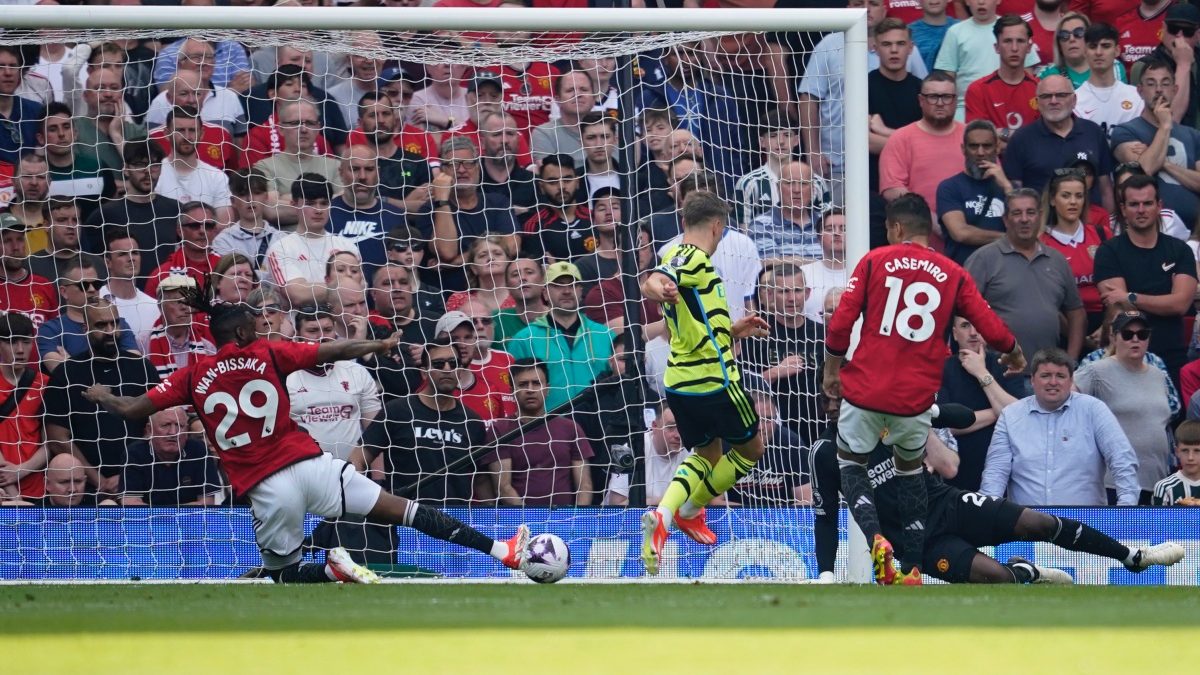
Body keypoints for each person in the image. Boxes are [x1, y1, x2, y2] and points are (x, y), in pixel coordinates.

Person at [84, 291, 529, 584]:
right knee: (405, 510)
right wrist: (376, 347)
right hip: (311, 466)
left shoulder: (189, 375)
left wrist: (99, 393)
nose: (261, 330)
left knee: (284, 574)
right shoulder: (268, 353)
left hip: (266, 485)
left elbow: (131, 409)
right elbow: (332, 350)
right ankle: (502, 549)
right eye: (255, 326)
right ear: (241, 333)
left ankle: (334, 573)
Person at [823, 192, 1024, 584]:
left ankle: (876, 537)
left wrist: (832, 370)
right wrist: (1014, 352)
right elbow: (988, 323)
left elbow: (842, 323)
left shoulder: (874, 261)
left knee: (851, 464)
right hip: (914, 399)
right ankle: (913, 568)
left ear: (896, 228)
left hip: (866, 389)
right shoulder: (952, 271)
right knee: (911, 470)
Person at [812, 393, 1186, 584]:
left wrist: (926, 410)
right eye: (830, 403)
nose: (838, 407)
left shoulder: (889, 421)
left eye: (842, 400)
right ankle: (1025, 573)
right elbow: (826, 517)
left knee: (1036, 523)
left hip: (948, 503)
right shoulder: (826, 454)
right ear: (825, 409)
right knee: (997, 579)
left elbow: (966, 417)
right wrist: (826, 574)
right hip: (919, 543)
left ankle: (1133, 557)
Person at [637, 191, 773, 576]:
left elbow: (693, 317)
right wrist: (659, 288)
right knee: (751, 450)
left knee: (706, 455)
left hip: (680, 382)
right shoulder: (691, 257)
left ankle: (665, 516)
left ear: (684, 222)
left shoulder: (678, 256)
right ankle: (692, 510)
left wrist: (735, 330)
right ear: (718, 226)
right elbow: (654, 281)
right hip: (715, 379)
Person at [981, 347, 1141, 505]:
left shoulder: (1094, 410)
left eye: (1060, 376)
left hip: (1085, 524)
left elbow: (1122, 460)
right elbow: (995, 473)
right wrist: (988, 512)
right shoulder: (1010, 415)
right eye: (1045, 375)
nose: (1053, 382)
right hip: (1026, 525)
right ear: (1032, 380)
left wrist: (1126, 509)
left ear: (1071, 381)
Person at [45, 298, 160, 496]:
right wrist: (99, 480)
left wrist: (128, 474)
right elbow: (57, 438)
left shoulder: (142, 367)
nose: (110, 330)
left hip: (142, 478)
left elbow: (158, 425)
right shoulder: (66, 373)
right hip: (85, 488)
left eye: (114, 323)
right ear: (85, 328)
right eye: (101, 324)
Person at [359, 338, 493, 505]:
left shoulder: (472, 421)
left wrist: (491, 517)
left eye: (453, 363)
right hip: (405, 517)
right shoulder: (398, 411)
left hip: (456, 519)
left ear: (459, 371)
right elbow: (360, 456)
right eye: (438, 364)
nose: (447, 369)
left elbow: (481, 480)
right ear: (423, 372)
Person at [1094, 174, 1197, 385]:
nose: (1141, 210)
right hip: (1123, 359)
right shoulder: (1108, 251)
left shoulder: (1180, 250)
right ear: (1123, 209)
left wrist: (1131, 296)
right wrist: (1160, 300)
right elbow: (1120, 310)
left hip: (1171, 355)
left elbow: (1180, 304)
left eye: (1147, 203)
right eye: (1134, 204)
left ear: (1159, 206)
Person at [965, 187, 1086, 364]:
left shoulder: (1057, 260)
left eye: (1030, 212)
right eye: (1016, 213)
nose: (1024, 219)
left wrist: (1071, 360)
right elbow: (963, 314)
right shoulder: (983, 259)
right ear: (1006, 220)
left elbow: (1076, 312)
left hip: (1047, 374)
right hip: (999, 372)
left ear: (1040, 216)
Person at [1074, 310, 1174, 504]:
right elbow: (1064, 403)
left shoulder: (1158, 374)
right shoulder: (1096, 370)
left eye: (1142, 334)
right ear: (1113, 337)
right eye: (1127, 335)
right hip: (1113, 483)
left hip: (1157, 482)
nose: (1135, 339)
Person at [506, 261, 614, 412]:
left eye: (573, 285)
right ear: (545, 293)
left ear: (581, 291)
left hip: (599, 427)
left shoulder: (606, 335)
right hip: (548, 429)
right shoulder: (524, 339)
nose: (567, 291)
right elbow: (513, 391)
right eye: (558, 285)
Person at [486, 359, 594, 506]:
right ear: (512, 390)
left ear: (547, 389)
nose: (530, 389)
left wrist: (575, 521)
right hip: (520, 524)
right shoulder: (500, 429)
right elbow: (503, 487)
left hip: (566, 522)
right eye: (523, 384)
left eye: (536, 383)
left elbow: (584, 486)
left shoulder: (570, 428)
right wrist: (531, 520)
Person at [742, 262, 826, 445]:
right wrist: (774, 372)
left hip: (819, 429)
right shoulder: (757, 333)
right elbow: (741, 387)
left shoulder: (822, 334)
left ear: (807, 293)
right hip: (774, 434)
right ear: (770, 295)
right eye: (783, 292)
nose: (791, 298)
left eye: (797, 290)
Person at [1111, 59, 1200, 232]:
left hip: (1195, 233)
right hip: (1151, 231)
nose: (1159, 89)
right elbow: (1144, 169)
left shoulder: (1193, 135)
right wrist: (1165, 126)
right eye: (1151, 84)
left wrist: (1165, 164)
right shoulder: (1125, 131)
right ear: (1140, 90)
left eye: (1165, 83)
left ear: (1175, 90)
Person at [286, 304, 382, 463]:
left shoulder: (356, 372)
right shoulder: (286, 377)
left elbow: (375, 435)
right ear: (297, 336)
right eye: (312, 331)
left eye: (328, 329)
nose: (322, 336)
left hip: (354, 476)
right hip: (305, 475)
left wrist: (379, 479)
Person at [1002, 75, 1114, 209]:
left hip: (1090, 225)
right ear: (1037, 102)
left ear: (1074, 100)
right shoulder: (1021, 139)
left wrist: (1109, 225)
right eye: (1046, 96)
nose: (1053, 101)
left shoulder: (1093, 132)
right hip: (1042, 226)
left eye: (1061, 95)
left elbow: (1105, 188)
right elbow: (1016, 195)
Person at [879, 71, 965, 230]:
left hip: (970, 238)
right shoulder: (901, 138)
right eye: (933, 97)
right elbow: (892, 190)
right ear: (921, 100)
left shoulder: (971, 137)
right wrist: (933, 223)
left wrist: (962, 229)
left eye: (946, 97)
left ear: (955, 100)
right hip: (919, 238)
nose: (940, 103)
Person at [84, 141, 181, 276]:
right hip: (122, 294)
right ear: (126, 169)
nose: (148, 172)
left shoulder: (175, 210)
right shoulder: (104, 215)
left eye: (154, 165)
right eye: (140, 165)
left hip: (168, 291)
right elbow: (91, 264)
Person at [934, 1, 1042, 120]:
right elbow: (946, 79)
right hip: (964, 107)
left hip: (1012, 105)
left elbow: (1027, 77)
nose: (981, 2)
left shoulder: (1014, 30)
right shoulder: (955, 32)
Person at [265, 174, 359, 308]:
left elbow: (359, 291)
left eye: (324, 203)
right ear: (294, 205)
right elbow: (297, 295)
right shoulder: (280, 248)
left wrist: (315, 289)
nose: (318, 210)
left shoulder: (347, 247)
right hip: (299, 326)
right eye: (310, 203)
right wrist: (345, 285)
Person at [37, 259, 140, 371]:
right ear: (64, 292)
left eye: (96, 284)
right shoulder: (51, 331)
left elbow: (135, 368)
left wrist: (71, 362)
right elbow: (62, 374)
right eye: (83, 285)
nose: (92, 290)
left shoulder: (118, 324)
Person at [937, 119, 1012, 265]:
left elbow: (1023, 223)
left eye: (987, 146)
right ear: (963, 149)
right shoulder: (949, 187)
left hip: (1005, 270)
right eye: (973, 146)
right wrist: (1009, 239)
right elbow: (960, 233)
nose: (980, 152)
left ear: (997, 148)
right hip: (965, 271)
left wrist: (1007, 188)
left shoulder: (1010, 187)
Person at [121, 406, 224, 507]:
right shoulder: (135, 453)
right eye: (166, 425)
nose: (173, 432)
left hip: (189, 522)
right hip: (147, 523)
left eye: (179, 425)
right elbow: (131, 505)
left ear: (187, 430)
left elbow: (206, 504)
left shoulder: (199, 450)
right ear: (149, 430)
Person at [867, 18, 924, 193]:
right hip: (874, 183)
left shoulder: (922, 89)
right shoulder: (862, 86)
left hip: (917, 182)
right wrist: (913, 144)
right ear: (875, 49)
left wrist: (884, 131)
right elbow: (867, 143)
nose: (894, 50)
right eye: (886, 44)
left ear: (910, 47)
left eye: (900, 44)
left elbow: (928, 142)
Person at [964, 15, 1041, 135]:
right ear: (997, 47)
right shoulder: (978, 90)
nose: (1014, 48)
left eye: (1020, 41)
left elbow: (1045, 137)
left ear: (1029, 47)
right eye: (1007, 41)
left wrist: (1000, 134)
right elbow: (979, 138)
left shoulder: (1040, 89)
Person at [0, 313, 47, 503]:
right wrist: (14, 496)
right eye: (12, 342)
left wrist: (20, 470)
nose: (20, 349)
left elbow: (51, 441)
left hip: (39, 488)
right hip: (4, 492)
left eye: (26, 342)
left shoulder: (46, 384)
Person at [520, 153, 593, 262]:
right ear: (541, 187)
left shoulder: (595, 219)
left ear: (577, 182)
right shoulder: (534, 227)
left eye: (567, 180)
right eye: (553, 182)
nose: (561, 187)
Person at [734, 110, 801, 228]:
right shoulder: (747, 184)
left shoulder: (815, 182)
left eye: (787, 135)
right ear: (762, 142)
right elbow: (744, 233)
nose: (781, 142)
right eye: (773, 136)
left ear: (796, 140)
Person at [145, 274, 217, 380]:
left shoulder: (208, 348)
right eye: (177, 301)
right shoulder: (143, 344)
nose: (184, 306)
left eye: (189, 301)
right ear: (160, 306)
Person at [1074, 23, 1144, 131]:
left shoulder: (1136, 96)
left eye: (1106, 46)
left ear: (1117, 51)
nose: (1098, 52)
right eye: (1093, 46)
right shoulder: (1075, 100)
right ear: (1085, 52)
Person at [99, 228, 160, 351]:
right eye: (122, 254)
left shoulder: (155, 306)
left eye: (135, 253)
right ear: (108, 262)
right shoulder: (96, 299)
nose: (131, 258)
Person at [492, 257, 548, 348]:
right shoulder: (495, 320)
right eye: (515, 275)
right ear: (507, 286)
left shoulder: (557, 317)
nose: (522, 278)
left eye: (529, 272)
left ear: (543, 280)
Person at [1152, 419, 1200, 504]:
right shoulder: (1164, 487)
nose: (1190, 457)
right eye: (1185, 450)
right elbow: (1157, 517)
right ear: (1177, 451)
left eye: (1197, 451)